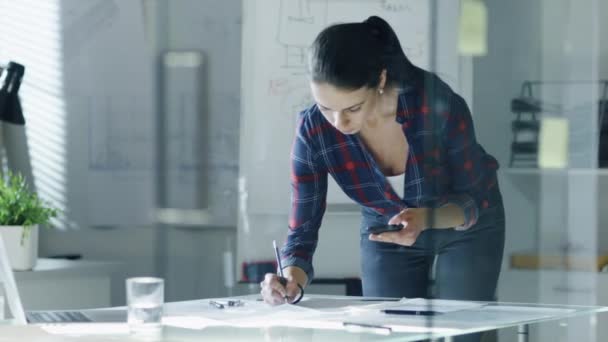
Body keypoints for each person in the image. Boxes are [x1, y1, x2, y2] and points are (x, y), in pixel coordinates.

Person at [260, 15, 505, 341]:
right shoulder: (312, 130)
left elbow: (474, 198)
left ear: (380, 79)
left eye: (353, 108)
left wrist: (426, 219)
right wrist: (290, 279)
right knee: (386, 332)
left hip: (464, 224)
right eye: (325, 107)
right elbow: (302, 232)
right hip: (387, 229)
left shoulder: (437, 104)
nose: (338, 122)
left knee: (463, 332)